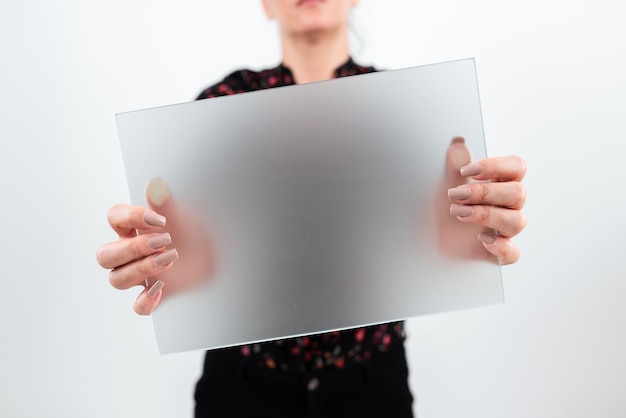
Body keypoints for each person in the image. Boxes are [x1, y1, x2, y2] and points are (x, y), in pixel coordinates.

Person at [96, 1, 527, 417]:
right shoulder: (219, 108)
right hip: (242, 388)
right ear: (266, 4)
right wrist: (154, 262)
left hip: (373, 385)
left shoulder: (402, 112)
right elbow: (193, 259)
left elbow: (440, 245)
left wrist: (482, 240)